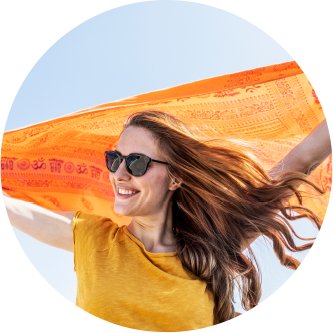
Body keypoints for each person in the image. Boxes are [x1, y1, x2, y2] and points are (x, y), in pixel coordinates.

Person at [3, 110, 331, 331]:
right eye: (115, 159)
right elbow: (20, 211)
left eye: (137, 163)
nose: (119, 173)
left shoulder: (213, 244)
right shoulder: (93, 236)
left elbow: (302, 158)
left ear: (175, 178)